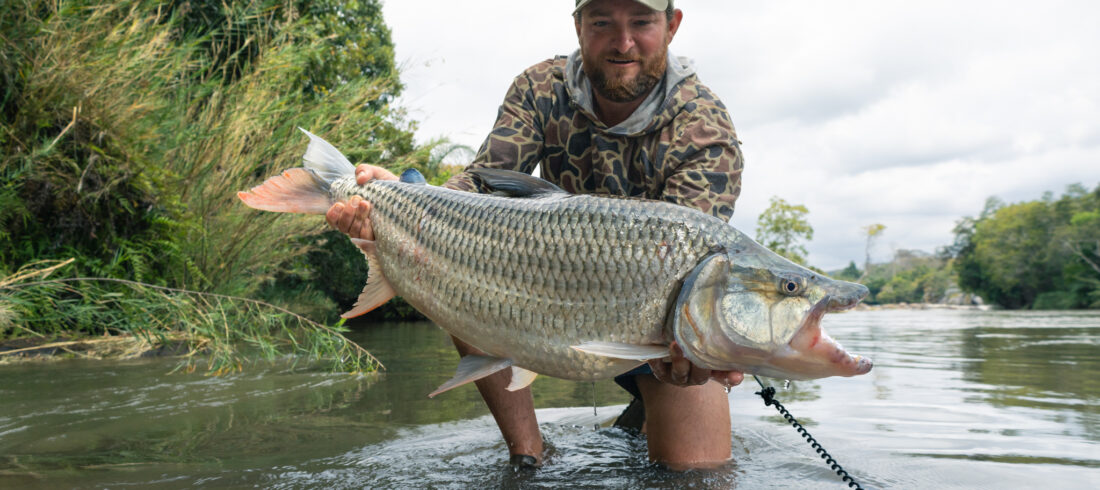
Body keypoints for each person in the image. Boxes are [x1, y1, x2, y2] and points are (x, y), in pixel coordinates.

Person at [326, 0, 745, 469]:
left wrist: (699, 346)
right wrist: (401, 202)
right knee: (469, 262)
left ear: (672, 25)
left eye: (642, 22)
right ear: (579, 26)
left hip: (651, 318)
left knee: (699, 473)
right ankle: (529, 457)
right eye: (603, 22)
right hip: (542, 293)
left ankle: (647, 411)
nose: (623, 42)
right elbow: (479, 188)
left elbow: (690, 263)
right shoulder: (539, 87)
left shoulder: (706, 129)